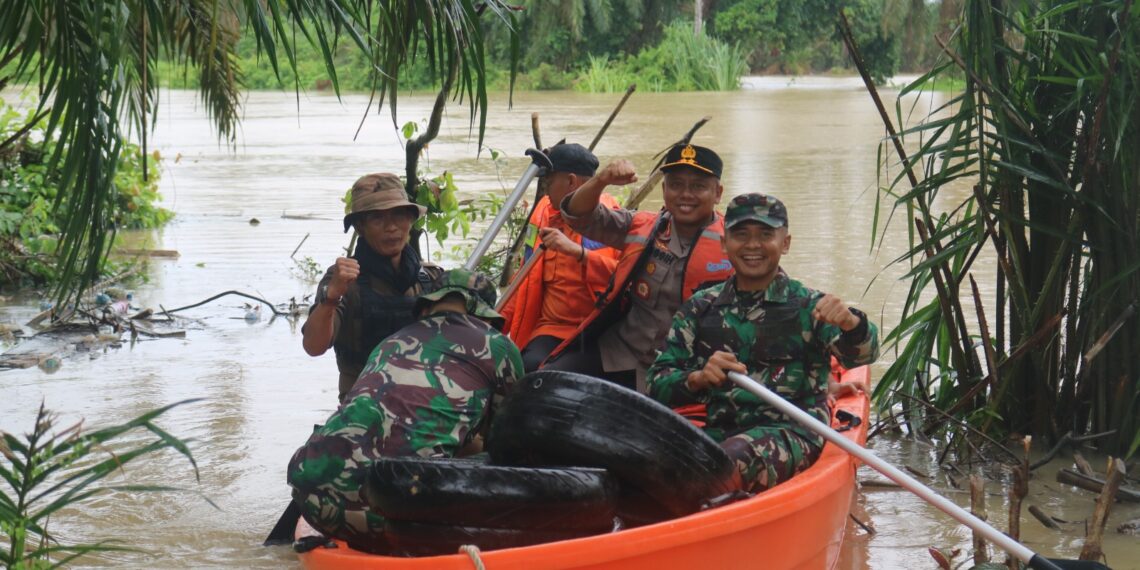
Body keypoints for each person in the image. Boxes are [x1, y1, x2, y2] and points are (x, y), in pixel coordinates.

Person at [646, 193, 880, 492]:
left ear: (785, 243)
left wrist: (852, 323)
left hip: (793, 432)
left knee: (728, 463)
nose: (753, 245)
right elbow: (656, 383)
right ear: (724, 244)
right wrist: (698, 378)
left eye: (765, 235)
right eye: (741, 235)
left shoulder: (810, 306)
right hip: (719, 433)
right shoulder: (699, 308)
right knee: (647, 463)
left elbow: (864, 354)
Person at [287, 269, 524, 550]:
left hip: (308, 493)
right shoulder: (499, 347)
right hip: (391, 513)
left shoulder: (392, 340)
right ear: (483, 312)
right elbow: (506, 447)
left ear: (428, 306)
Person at [545, 143, 735, 391]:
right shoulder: (642, 226)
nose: (686, 194)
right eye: (676, 185)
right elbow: (576, 214)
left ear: (718, 193)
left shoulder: (735, 244)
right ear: (665, 189)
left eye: (698, 186)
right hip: (621, 352)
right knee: (549, 381)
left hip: (684, 367)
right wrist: (602, 180)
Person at [302, 173, 442, 402]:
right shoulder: (343, 282)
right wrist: (330, 299)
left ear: (411, 218)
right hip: (363, 408)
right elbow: (313, 347)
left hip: (422, 404)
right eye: (378, 219)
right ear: (360, 226)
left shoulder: (430, 278)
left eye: (399, 215)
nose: (391, 227)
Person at [498, 143, 621, 372]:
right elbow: (524, 278)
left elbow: (622, 278)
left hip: (594, 330)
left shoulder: (607, 219)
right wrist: (494, 324)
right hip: (550, 328)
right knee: (520, 367)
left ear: (571, 182)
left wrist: (579, 254)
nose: (545, 190)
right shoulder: (543, 210)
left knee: (552, 372)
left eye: (550, 182)